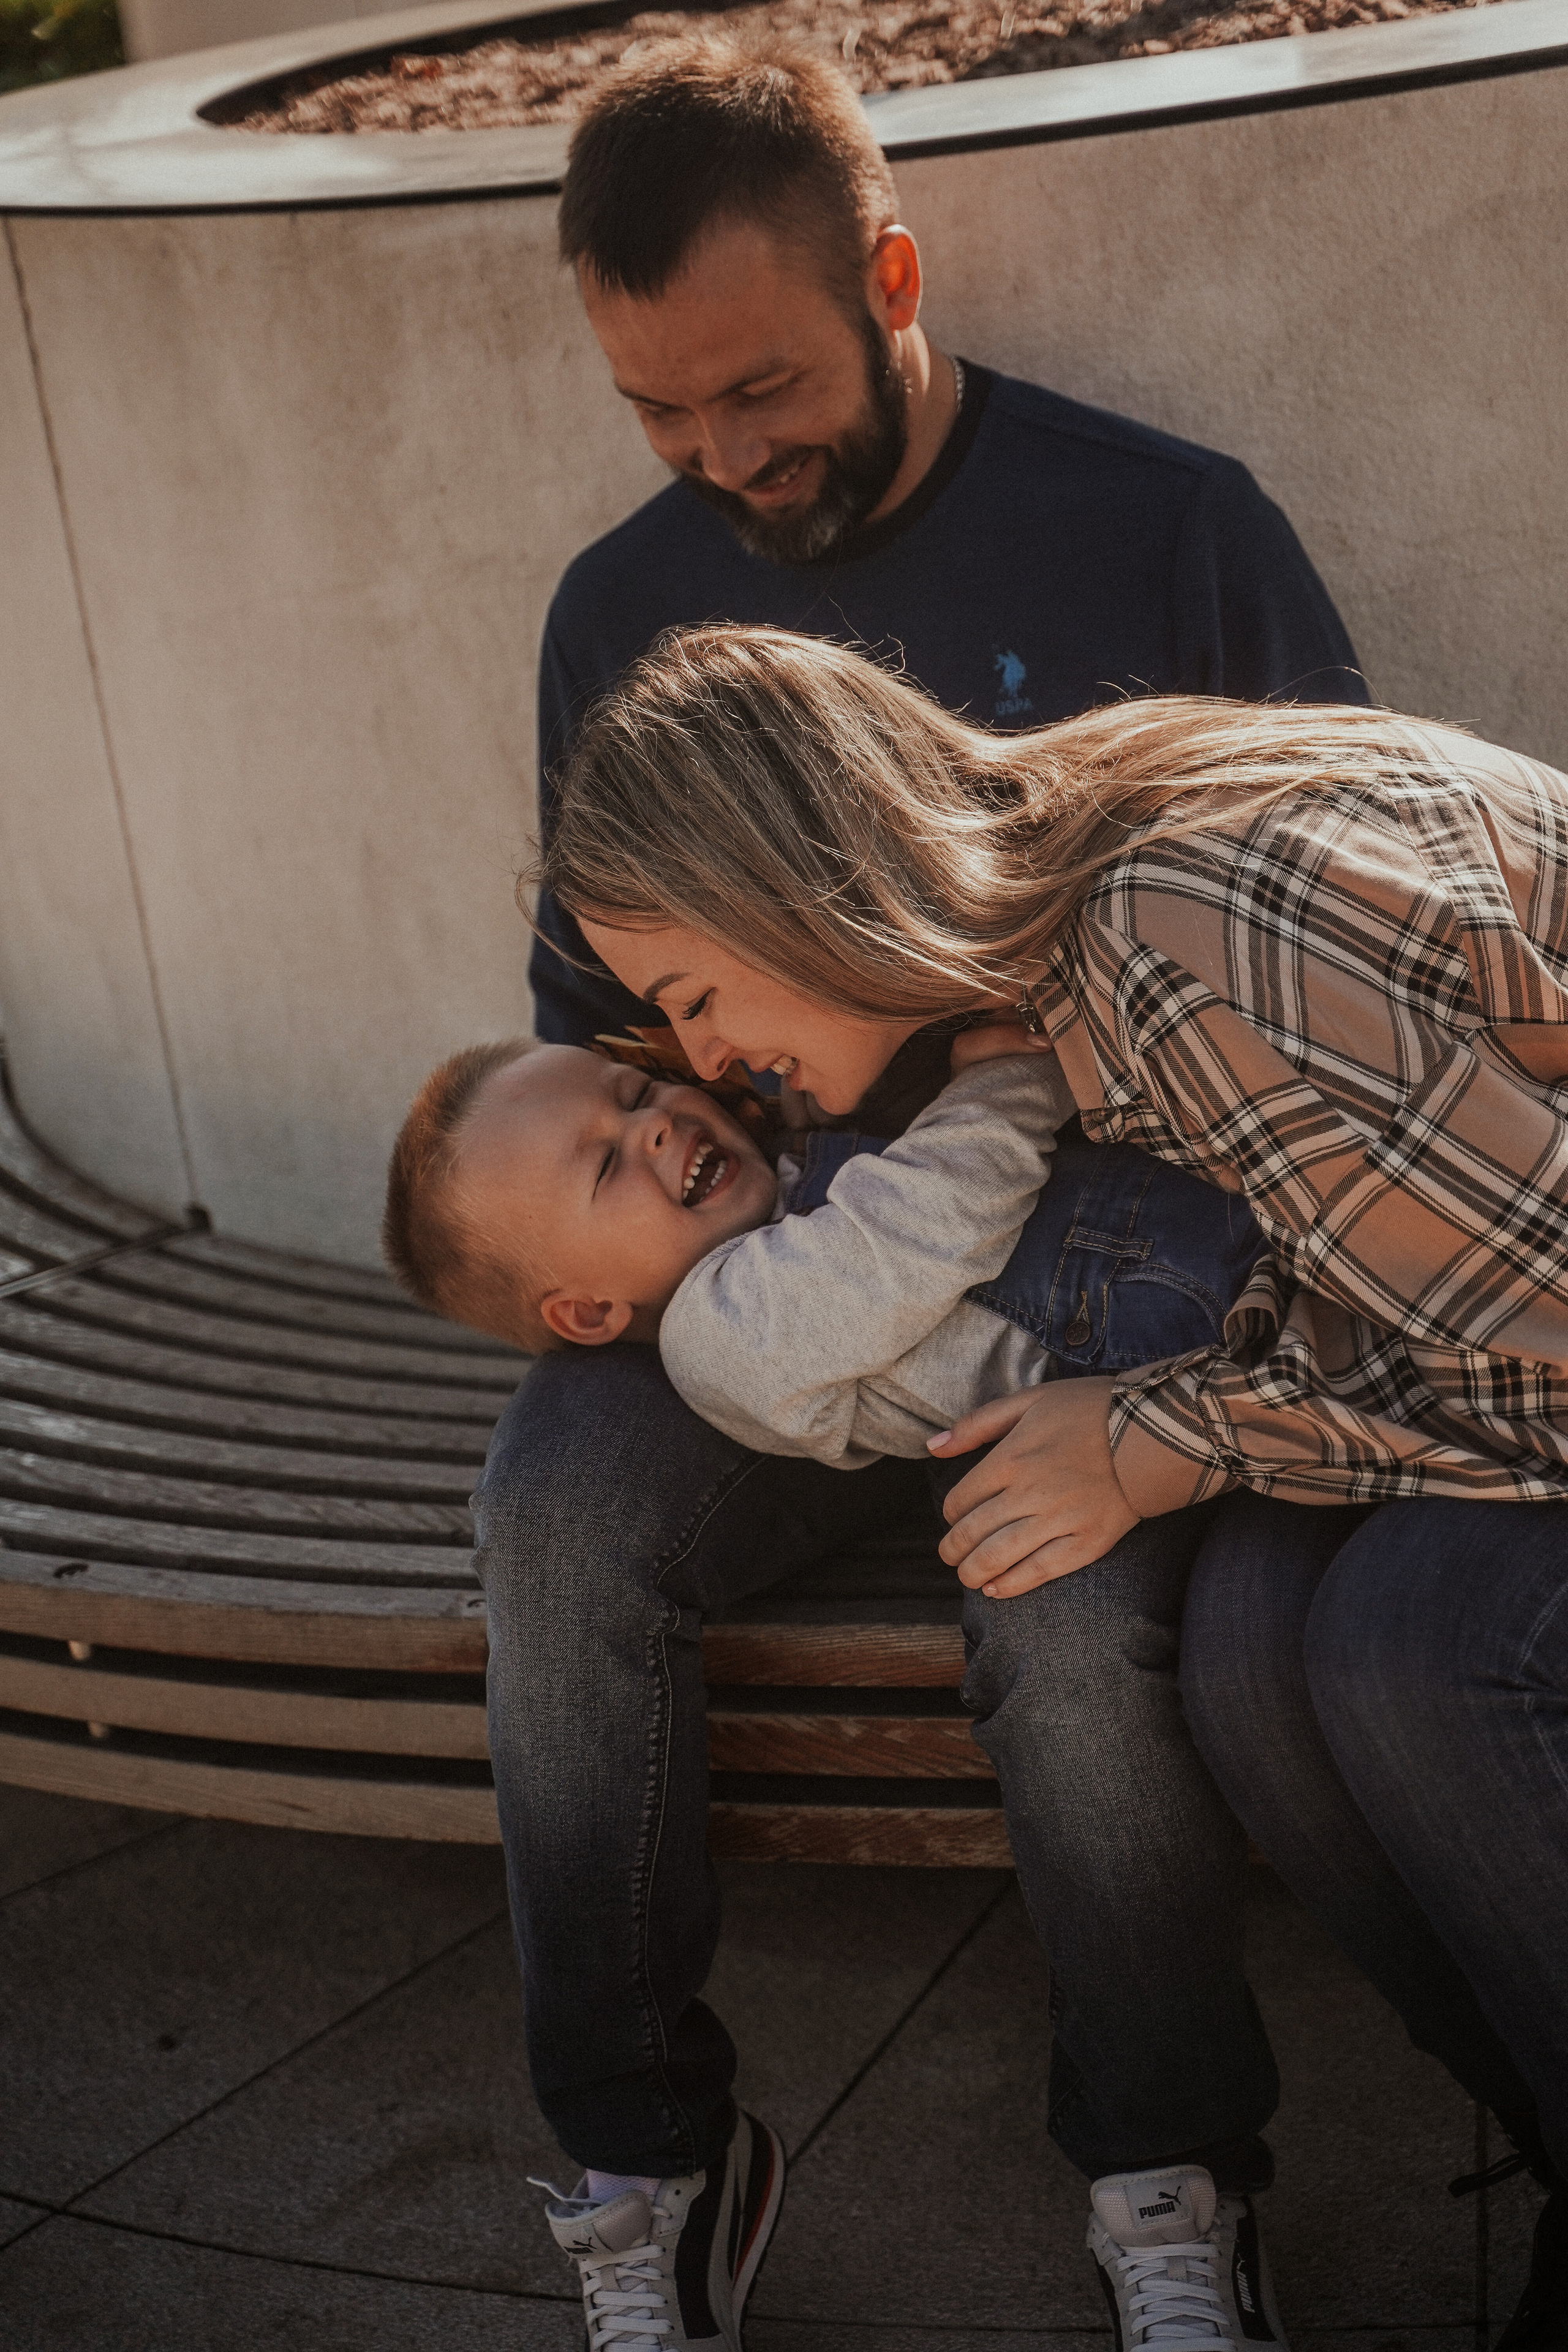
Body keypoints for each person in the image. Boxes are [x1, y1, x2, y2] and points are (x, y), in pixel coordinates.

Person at [480, 28, 1371, 2351]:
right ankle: (647, 2165)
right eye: (662, 415)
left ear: (890, 271)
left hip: (1117, 1266)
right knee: (551, 1510)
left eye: (761, 386)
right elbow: (598, 1017)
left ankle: (1171, 2178)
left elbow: (1331, 941)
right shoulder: (621, 611)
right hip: (784, 1260)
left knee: (1063, 1620)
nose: (722, 458)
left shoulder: (1166, 527)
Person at [543, 620, 1568, 2352]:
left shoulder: (1170, 942)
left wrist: (1173, 1436)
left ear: (792, 879)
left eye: (698, 997)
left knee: (1415, 1650)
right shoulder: (1073, 904)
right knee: (1249, 1645)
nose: (702, 1064)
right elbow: (1373, 1264)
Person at [382, 1035, 1267, 1487]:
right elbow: (929, 1220)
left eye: (635, 1091)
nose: (652, 1123)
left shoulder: (789, 1167)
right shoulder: (720, 1338)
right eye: (607, 1165)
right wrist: (1021, 1071)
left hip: (1228, 1230)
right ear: (587, 1313)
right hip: (1204, 1355)